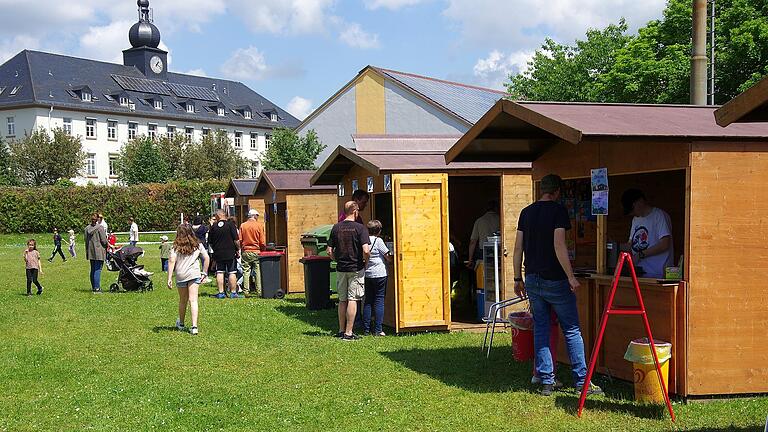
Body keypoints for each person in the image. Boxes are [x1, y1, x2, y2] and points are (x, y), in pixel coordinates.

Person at [513, 174, 602, 396]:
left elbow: (517, 249)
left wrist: (517, 278)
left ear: (541, 190)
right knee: (571, 329)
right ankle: (582, 381)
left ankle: (546, 380)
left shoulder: (526, 212)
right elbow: (559, 245)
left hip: (532, 279)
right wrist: (571, 276)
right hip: (556, 280)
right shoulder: (558, 211)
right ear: (558, 192)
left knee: (542, 327)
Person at [328, 201, 371, 341]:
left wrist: (337, 259)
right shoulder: (360, 228)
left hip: (341, 268)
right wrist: (366, 262)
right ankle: (349, 332)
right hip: (356, 268)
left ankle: (341, 330)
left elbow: (329, 251)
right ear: (355, 211)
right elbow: (366, 250)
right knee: (353, 298)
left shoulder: (336, 228)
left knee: (342, 300)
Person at [167, 224, 210, 336]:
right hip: (194, 274)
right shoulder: (198, 245)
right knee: (193, 300)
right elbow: (206, 258)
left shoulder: (175, 246)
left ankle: (181, 324)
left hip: (181, 275)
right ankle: (194, 326)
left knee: (183, 300)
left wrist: (169, 277)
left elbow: (172, 260)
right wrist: (204, 273)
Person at [621, 189, 673, 279]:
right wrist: (613, 246)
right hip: (639, 273)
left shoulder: (659, 216)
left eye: (632, 208)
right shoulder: (635, 219)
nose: (632, 213)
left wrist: (640, 255)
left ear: (639, 202)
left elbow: (665, 244)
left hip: (657, 274)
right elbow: (630, 244)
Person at [361, 220, 390, 336]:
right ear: (378, 231)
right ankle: (378, 329)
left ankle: (366, 329)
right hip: (380, 274)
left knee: (368, 301)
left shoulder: (364, 240)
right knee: (379, 300)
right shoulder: (378, 241)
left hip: (367, 273)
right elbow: (387, 256)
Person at [208, 210, 240, 299]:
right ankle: (233, 293)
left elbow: (210, 242)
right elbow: (236, 240)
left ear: (218, 216)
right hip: (230, 252)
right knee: (232, 272)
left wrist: (215, 249)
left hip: (218, 253)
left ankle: (221, 292)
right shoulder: (231, 225)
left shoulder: (213, 226)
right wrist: (238, 249)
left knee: (220, 272)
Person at [239, 209, 267, 297]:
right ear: (255, 216)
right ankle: (259, 291)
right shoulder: (259, 226)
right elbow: (262, 241)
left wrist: (241, 249)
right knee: (257, 271)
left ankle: (246, 291)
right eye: (257, 216)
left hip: (246, 251)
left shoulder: (243, 225)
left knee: (246, 271)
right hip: (256, 251)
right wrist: (263, 250)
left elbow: (240, 240)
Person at [467, 200, 500, 269]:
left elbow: (473, 241)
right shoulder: (501, 220)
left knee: (484, 275)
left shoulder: (479, 221)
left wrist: (470, 260)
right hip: (499, 252)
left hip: (483, 253)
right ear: (496, 208)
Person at [85, 213, 108, 294]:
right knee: (98, 270)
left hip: (91, 251)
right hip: (99, 251)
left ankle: (94, 287)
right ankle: (97, 288)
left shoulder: (87, 228)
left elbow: (86, 240)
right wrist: (107, 245)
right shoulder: (100, 228)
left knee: (93, 269)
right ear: (98, 219)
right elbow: (104, 241)